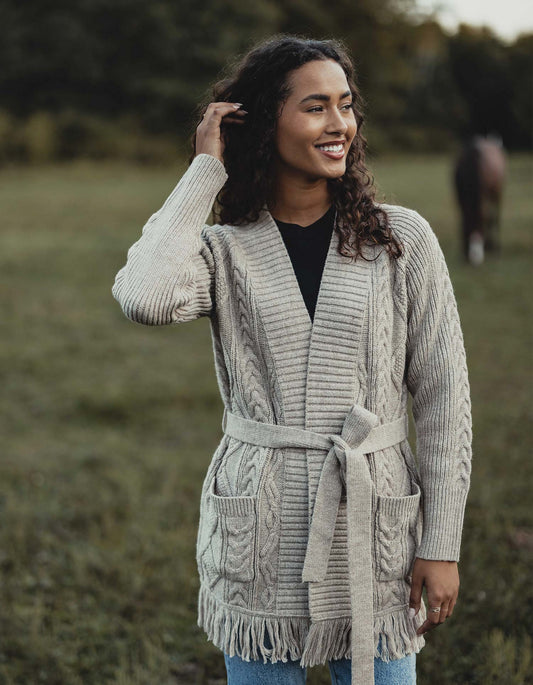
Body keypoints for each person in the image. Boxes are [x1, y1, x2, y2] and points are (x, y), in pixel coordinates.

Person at [112, 34, 473, 685]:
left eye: (345, 105)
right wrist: (204, 172)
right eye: (315, 106)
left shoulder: (401, 239)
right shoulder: (223, 249)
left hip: (377, 528)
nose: (338, 123)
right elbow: (145, 295)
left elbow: (444, 397)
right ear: (261, 120)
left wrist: (439, 543)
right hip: (260, 538)